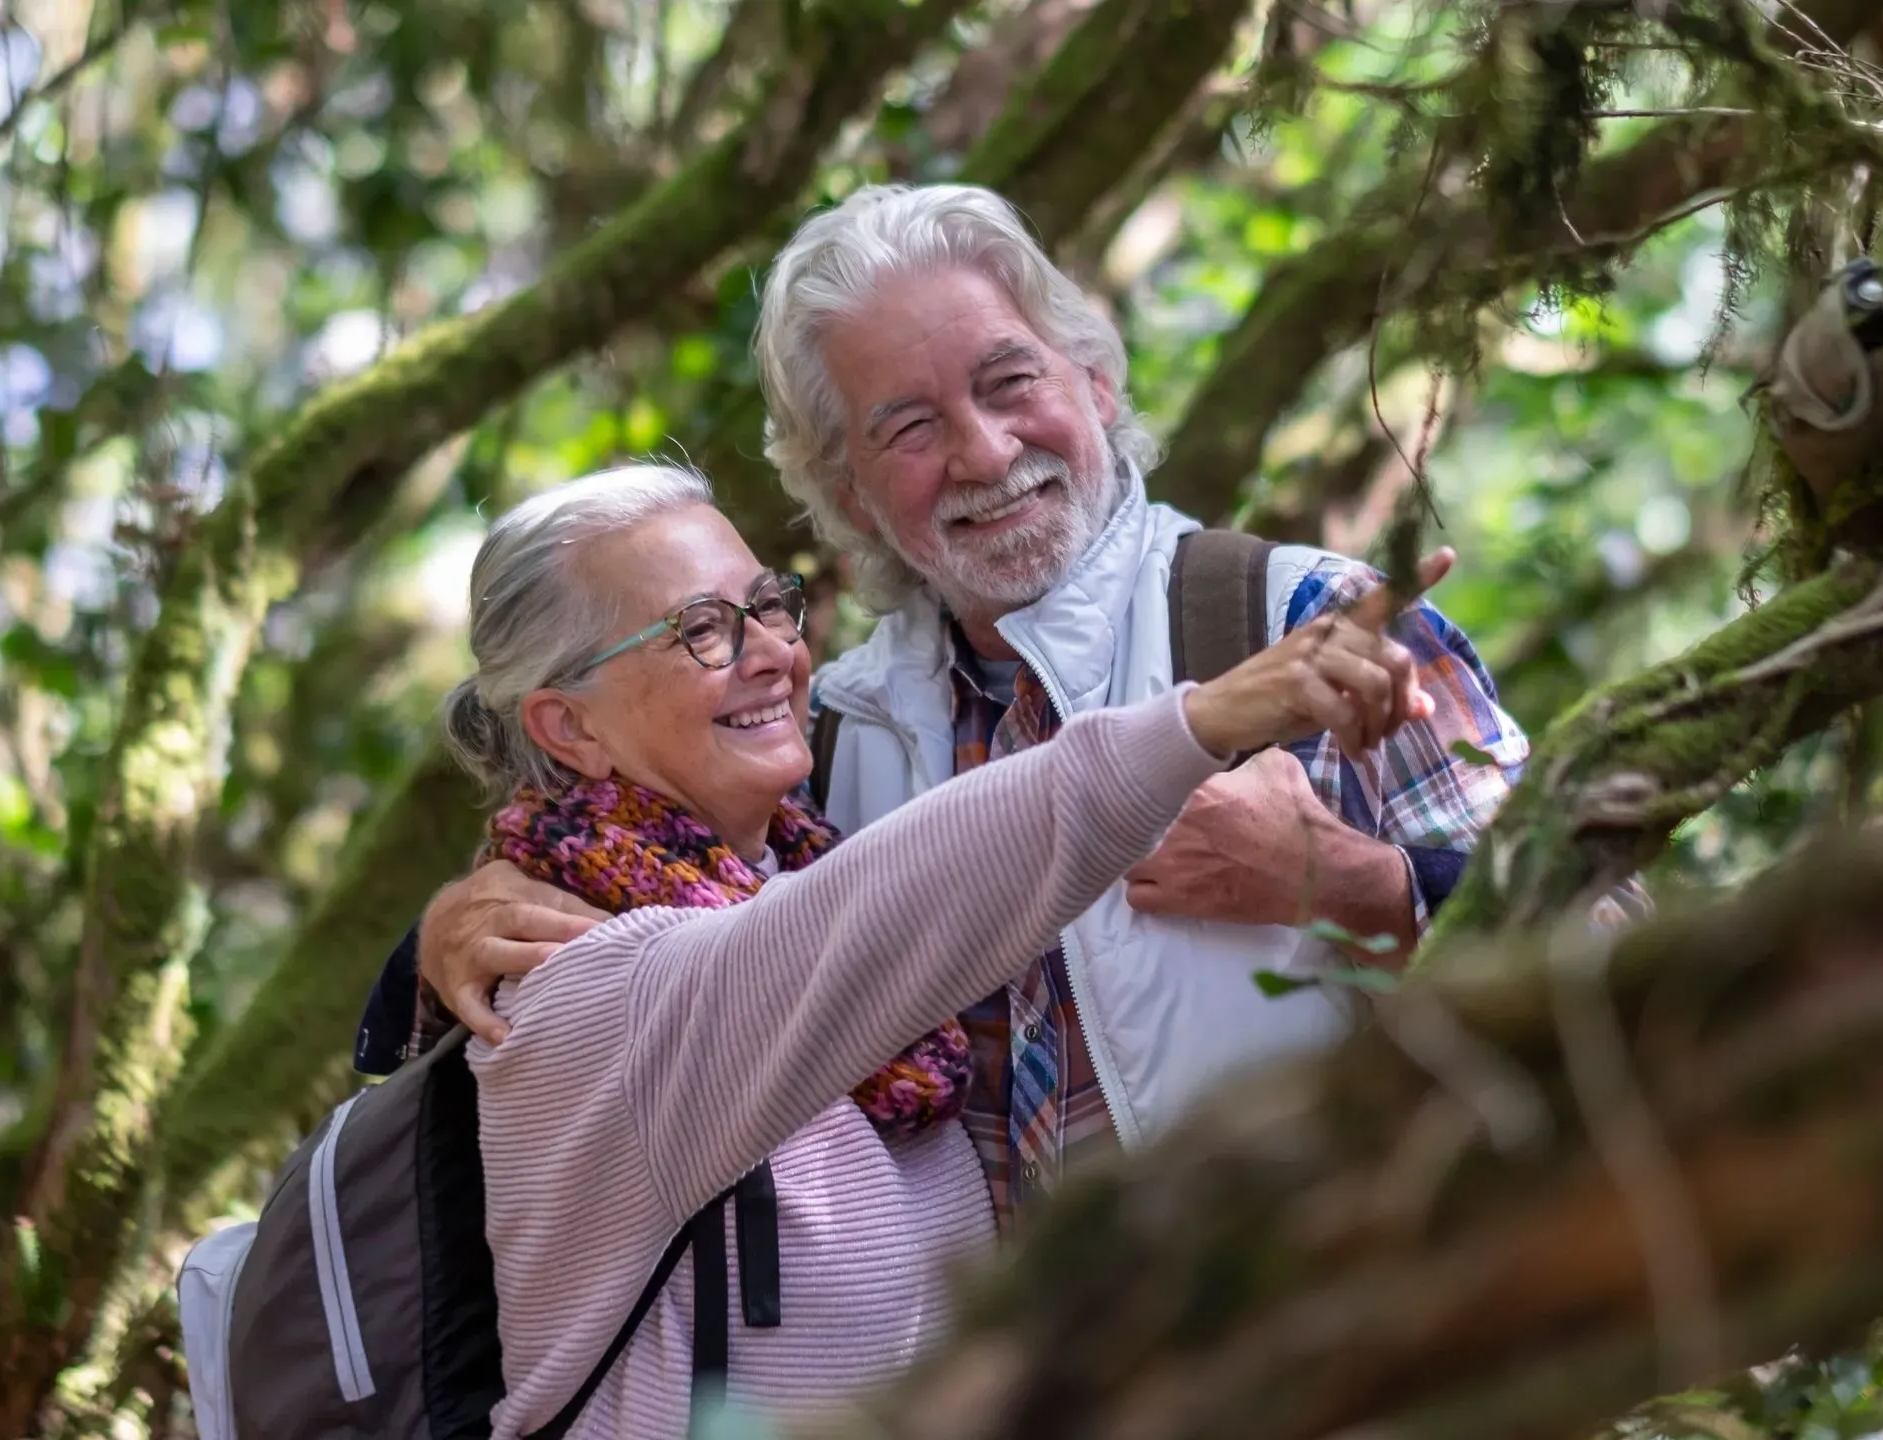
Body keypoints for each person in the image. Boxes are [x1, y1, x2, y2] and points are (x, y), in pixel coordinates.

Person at [362, 182, 1619, 1228]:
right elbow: (628, 933)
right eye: (907, 426)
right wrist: (435, 950)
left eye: (1008, 381)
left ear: (1097, 384)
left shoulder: (1307, 626)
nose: (979, 451)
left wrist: (1358, 886)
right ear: (846, 492)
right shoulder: (829, 746)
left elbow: (1618, 954)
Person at [438, 462, 1438, 1436]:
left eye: (768, 605)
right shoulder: (578, 985)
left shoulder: (793, 853)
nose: (771, 655)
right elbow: (899, 900)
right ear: (566, 726)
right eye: (698, 630)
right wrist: (1207, 718)